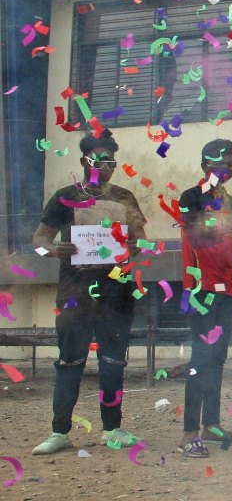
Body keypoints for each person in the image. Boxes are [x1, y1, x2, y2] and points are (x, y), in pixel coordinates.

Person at [32, 132, 147, 455]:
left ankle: (113, 428)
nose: (106, 168)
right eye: (100, 161)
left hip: (116, 293)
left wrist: (130, 250)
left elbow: (140, 242)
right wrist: (54, 251)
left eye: (111, 162)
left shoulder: (125, 198)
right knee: (70, 362)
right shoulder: (64, 196)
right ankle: (60, 432)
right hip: (75, 292)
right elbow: (38, 241)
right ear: (85, 162)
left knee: (113, 362)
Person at [176, 139, 232, 458]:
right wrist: (226, 226)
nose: (228, 169)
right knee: (200, 360)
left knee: (217, 358)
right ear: (206, 166)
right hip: (201, 288)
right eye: (222, 164)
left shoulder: (231, 202)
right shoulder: (190, 198)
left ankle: (211, 424)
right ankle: (189, 432)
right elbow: (197, 238)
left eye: (231, 164)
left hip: (227, 289)